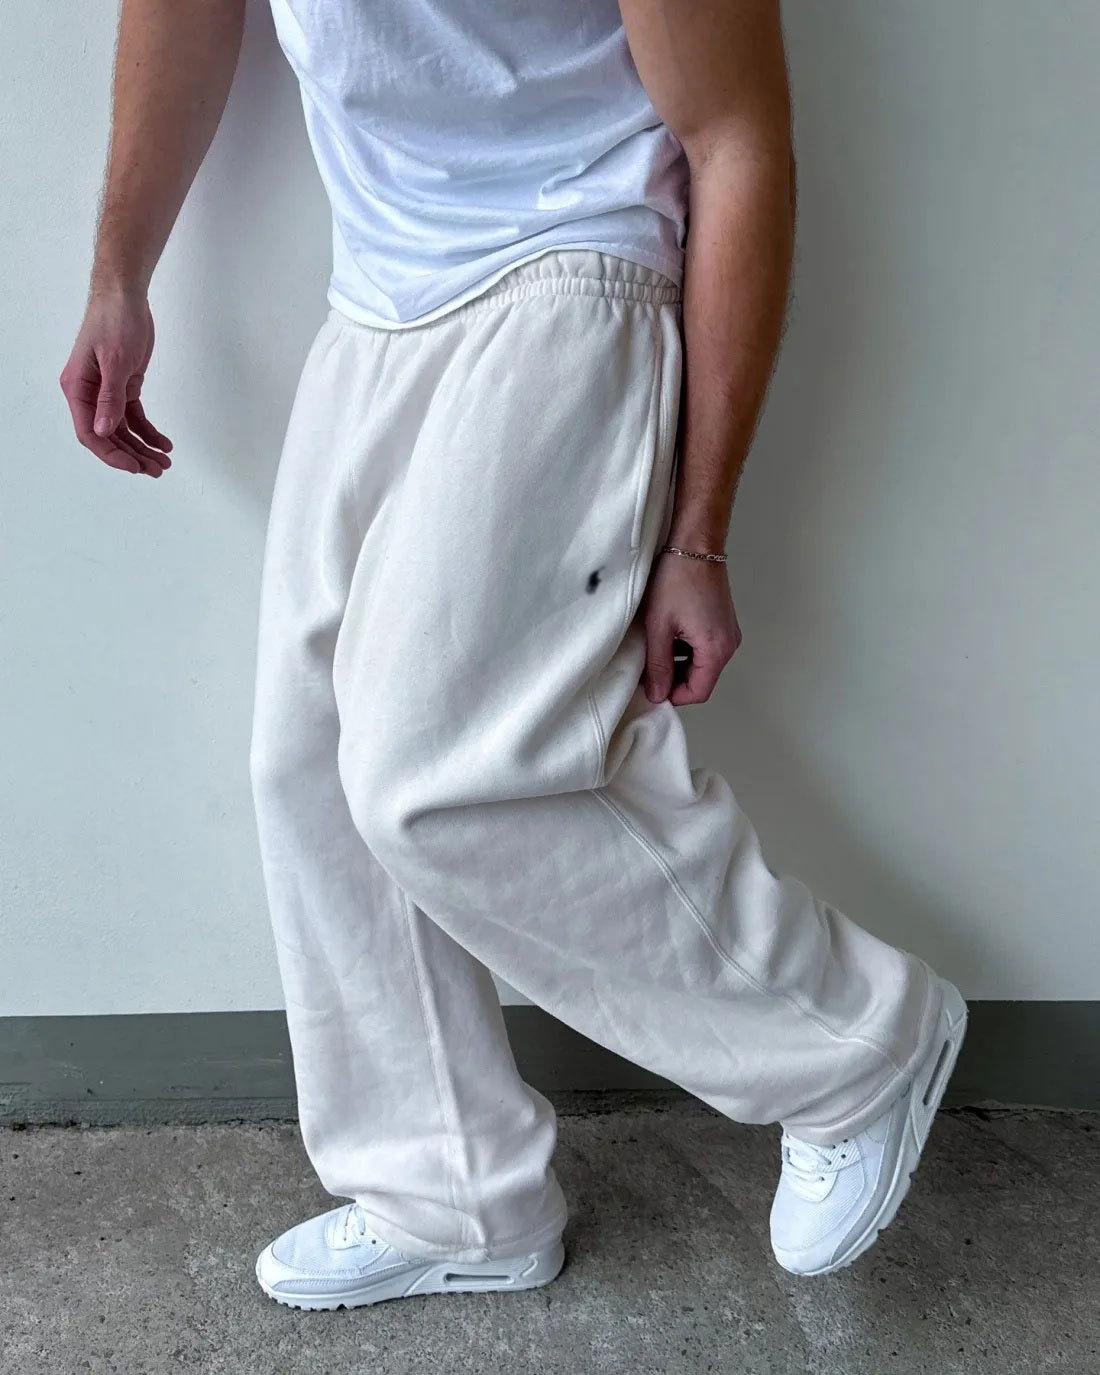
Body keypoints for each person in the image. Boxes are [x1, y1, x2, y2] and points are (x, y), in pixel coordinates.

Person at [60, 0, 967, 1307]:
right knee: (307, 771)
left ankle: (855, 1043)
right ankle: (454, 1194)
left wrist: (697, 533)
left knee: (429, 778)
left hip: (571, 263)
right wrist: (120, 269)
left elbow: (737, 138)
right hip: (375, 297)